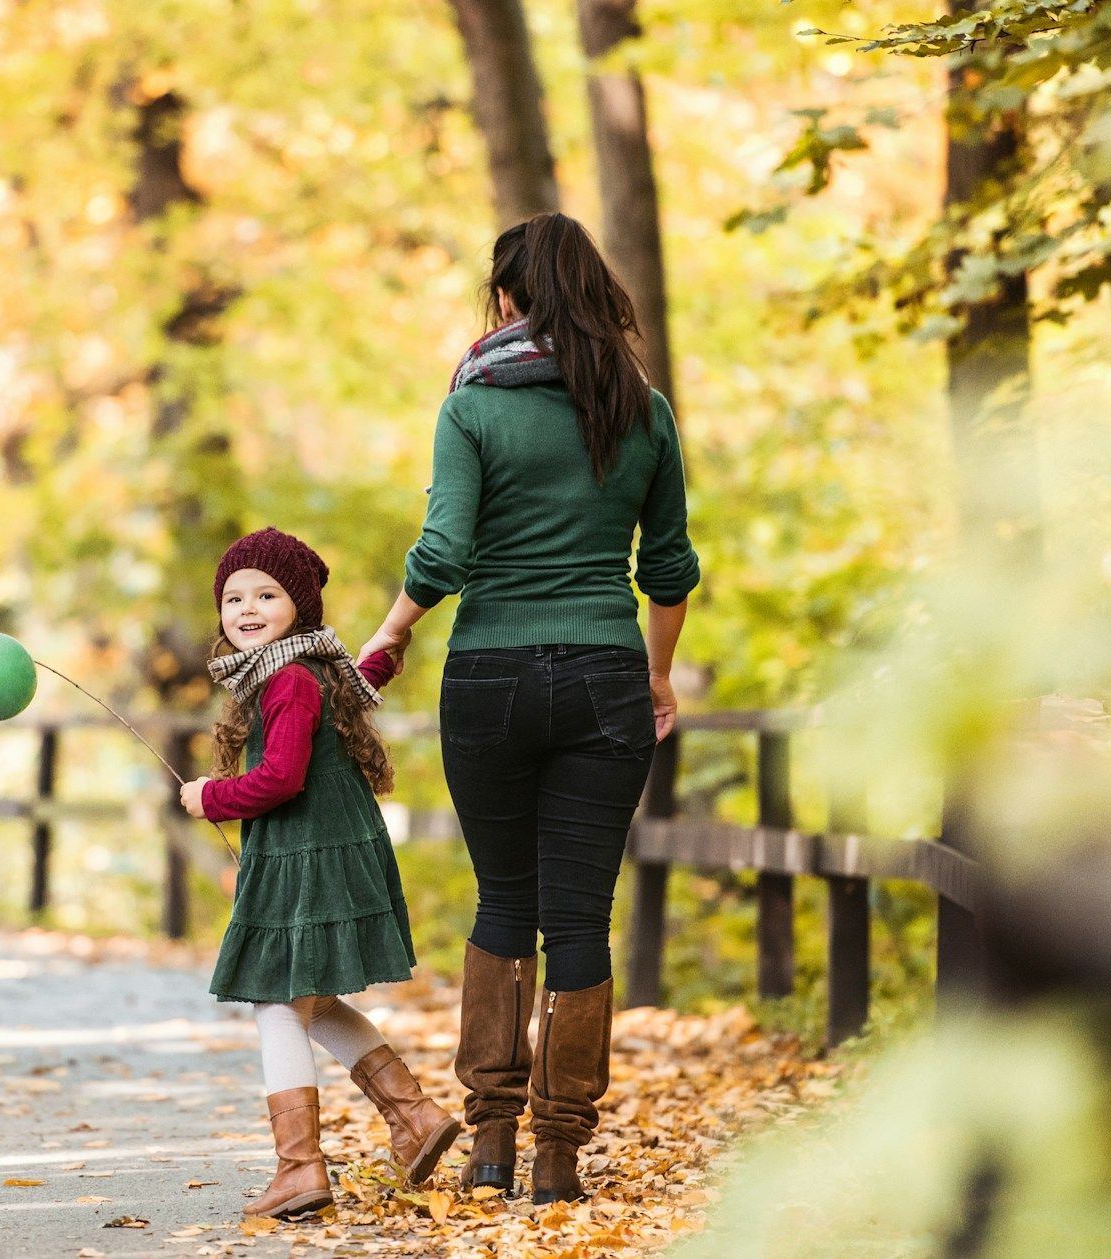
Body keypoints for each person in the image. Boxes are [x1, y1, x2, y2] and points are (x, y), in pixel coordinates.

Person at [357, 212, 700, 1204]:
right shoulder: (644, 409)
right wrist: (657, 673)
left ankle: (492, 1142)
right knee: (581, 918)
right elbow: (669, 567)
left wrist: (391, 634)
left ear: (509, 300)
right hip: (603, 677)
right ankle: (560, 1153)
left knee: (505, 900)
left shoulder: (472, 405)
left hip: (492, 679)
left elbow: (446, 552)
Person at [180, 527, 459, 1219]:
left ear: (298, 606)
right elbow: (364, 679)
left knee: (278, 1001)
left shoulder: (291, 679)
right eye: (234, 596)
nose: (247, 607)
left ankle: (300, 1168)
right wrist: (387, 652)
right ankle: (415, 1116)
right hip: (317, 849)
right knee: (313, 999)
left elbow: (281, 777)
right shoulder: (310, 667)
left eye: (266, 594)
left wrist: (208, 796)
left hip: (310, 854)